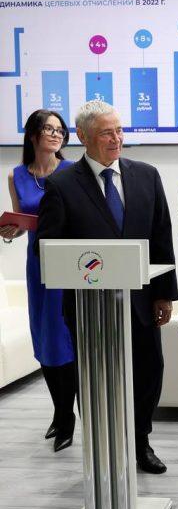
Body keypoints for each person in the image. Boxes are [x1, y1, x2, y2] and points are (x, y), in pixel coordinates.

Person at [35, 100, 178, 474]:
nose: (116, 139)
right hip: (89, 307)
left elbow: (161, 236)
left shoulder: (146, 175)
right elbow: (45, 246)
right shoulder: (62, 185)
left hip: (141, 302)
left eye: (119, 131)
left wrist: (165, 293)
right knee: (96, 381)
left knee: (148, 374)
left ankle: (140, 442)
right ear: (83, 137)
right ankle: (103, 450)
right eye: (105, 133)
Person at [1, 110, 75, 452]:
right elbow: (22, 222)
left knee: (63, 339)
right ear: (33, 134)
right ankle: (59, 412)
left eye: (61, 130)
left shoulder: (72, 171)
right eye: (49, 129)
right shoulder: (16, 175)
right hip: (36, 264)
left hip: (67, 263)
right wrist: (10, 231)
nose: (57, 135)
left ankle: (67, 417)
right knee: (43, 339)